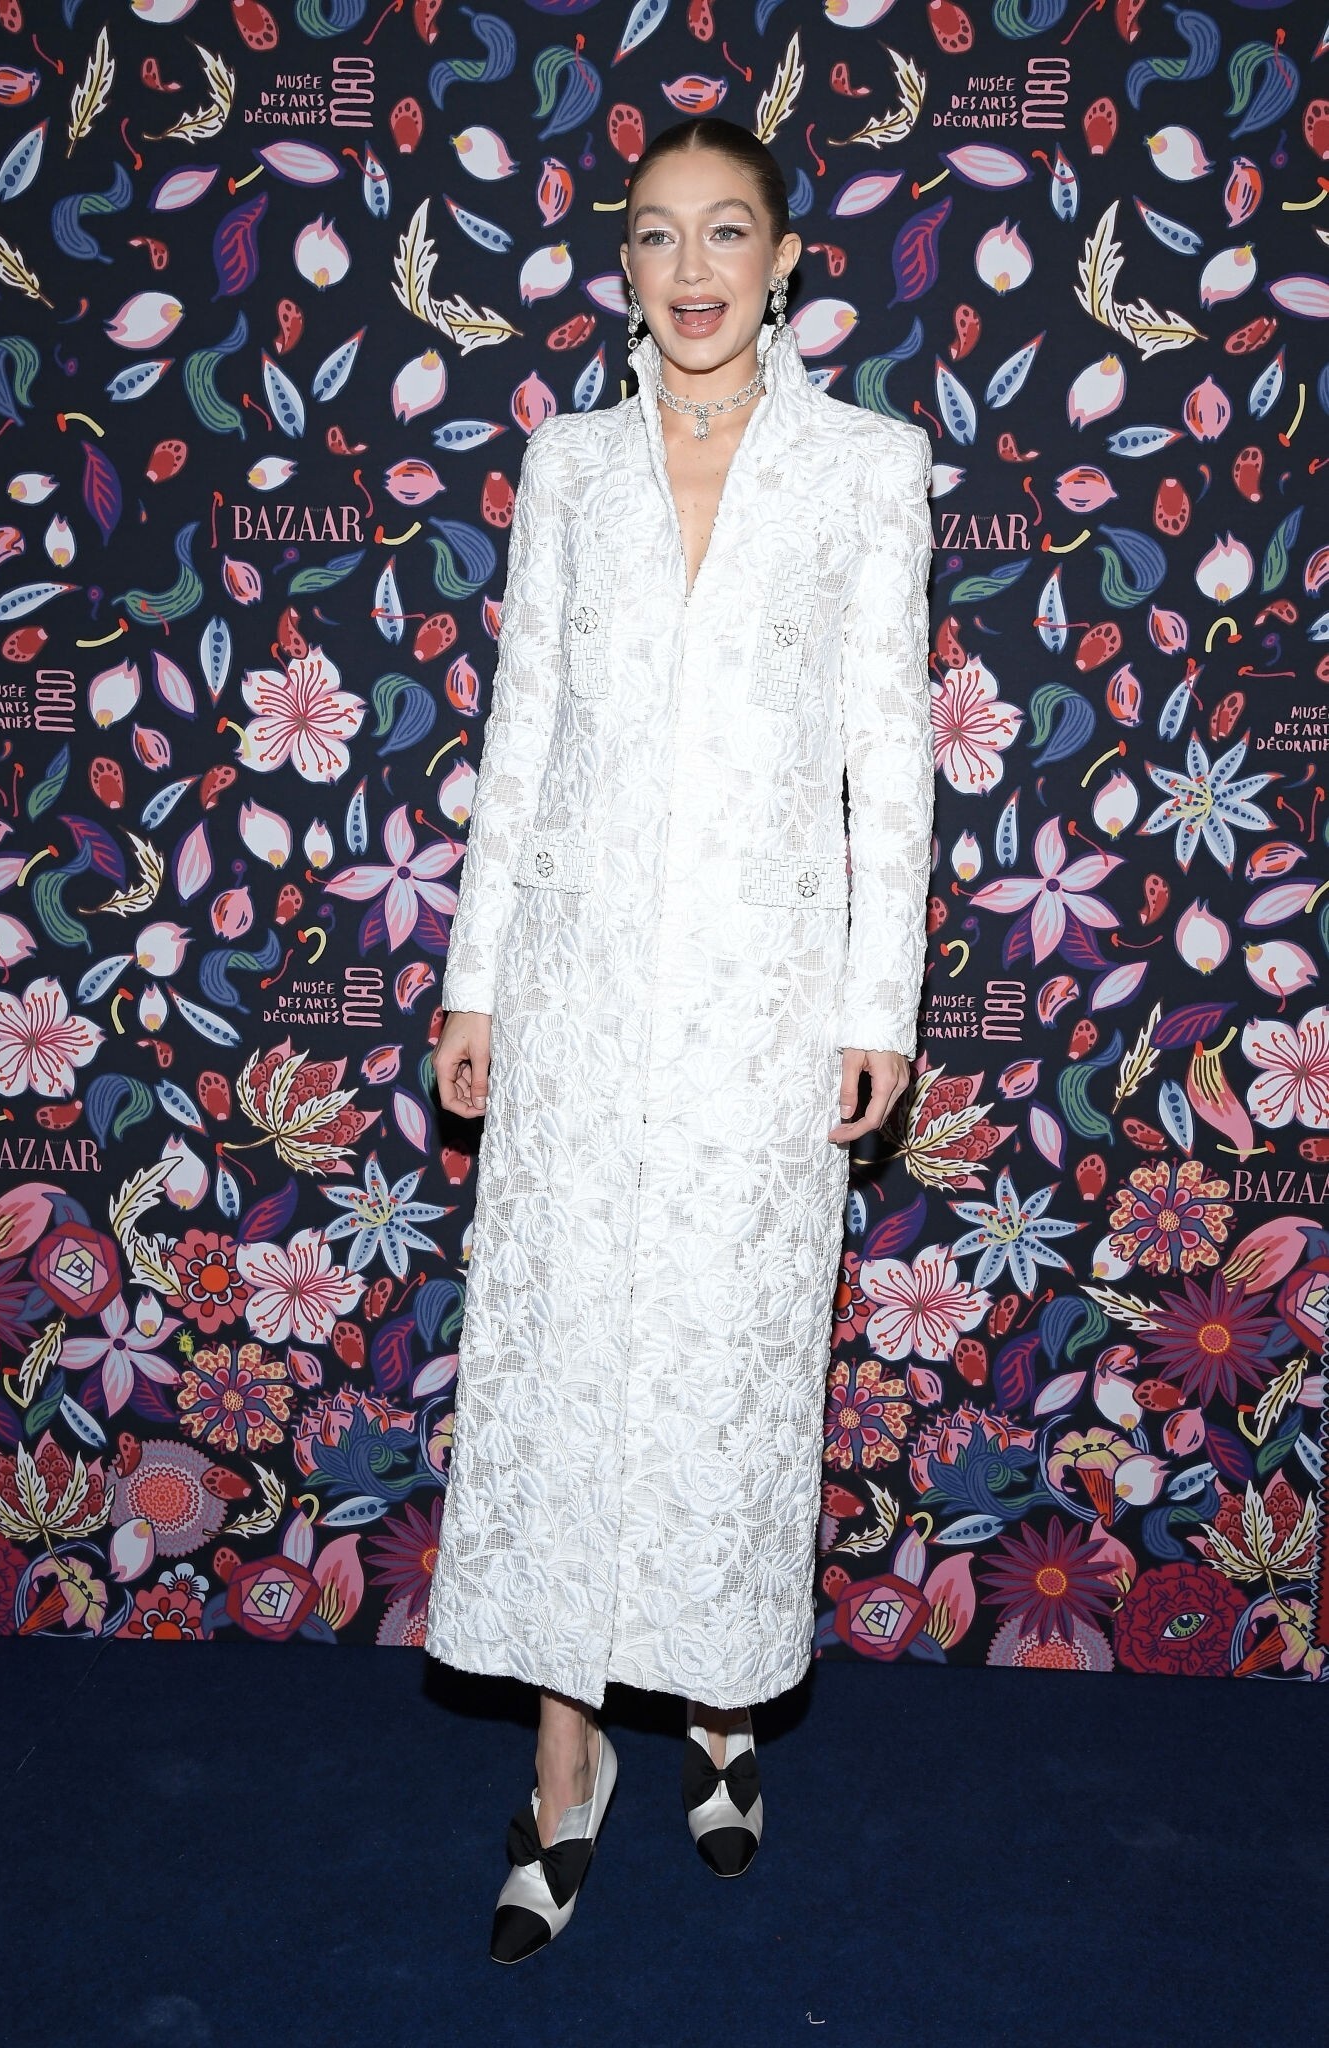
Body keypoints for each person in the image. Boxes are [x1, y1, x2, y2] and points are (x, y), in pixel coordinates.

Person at [429, 115, 935, 1964]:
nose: (694, 268)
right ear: (623, 264)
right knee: (563, 1363)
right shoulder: (566, 466)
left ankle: (720, 1702)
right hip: (575, 987)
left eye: (729, 232)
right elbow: (524, 736)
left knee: (727, 1360)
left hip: (759, 1004)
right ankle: (565, 1760)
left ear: (786, 260)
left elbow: (890, 752)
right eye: (657, 234)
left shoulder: (867, 466)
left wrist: (876, 1005)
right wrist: (476, 977)